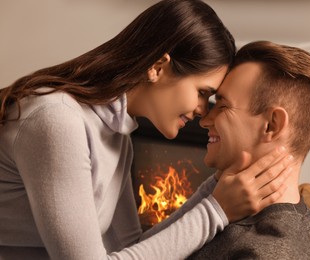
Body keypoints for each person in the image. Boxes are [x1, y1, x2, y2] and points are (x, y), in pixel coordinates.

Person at [0, 1, 293, 259]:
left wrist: (214, 188)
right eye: (202, 92)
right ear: (158, 67)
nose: (204, 111)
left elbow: (130, 247)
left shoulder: (117, 135)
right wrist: (217, 210)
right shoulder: (57, 121)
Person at [187, 40, 310, 259]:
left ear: (272, 125)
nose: (204, 121)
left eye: (222, 106)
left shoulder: (267, 252)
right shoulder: (233, 207)